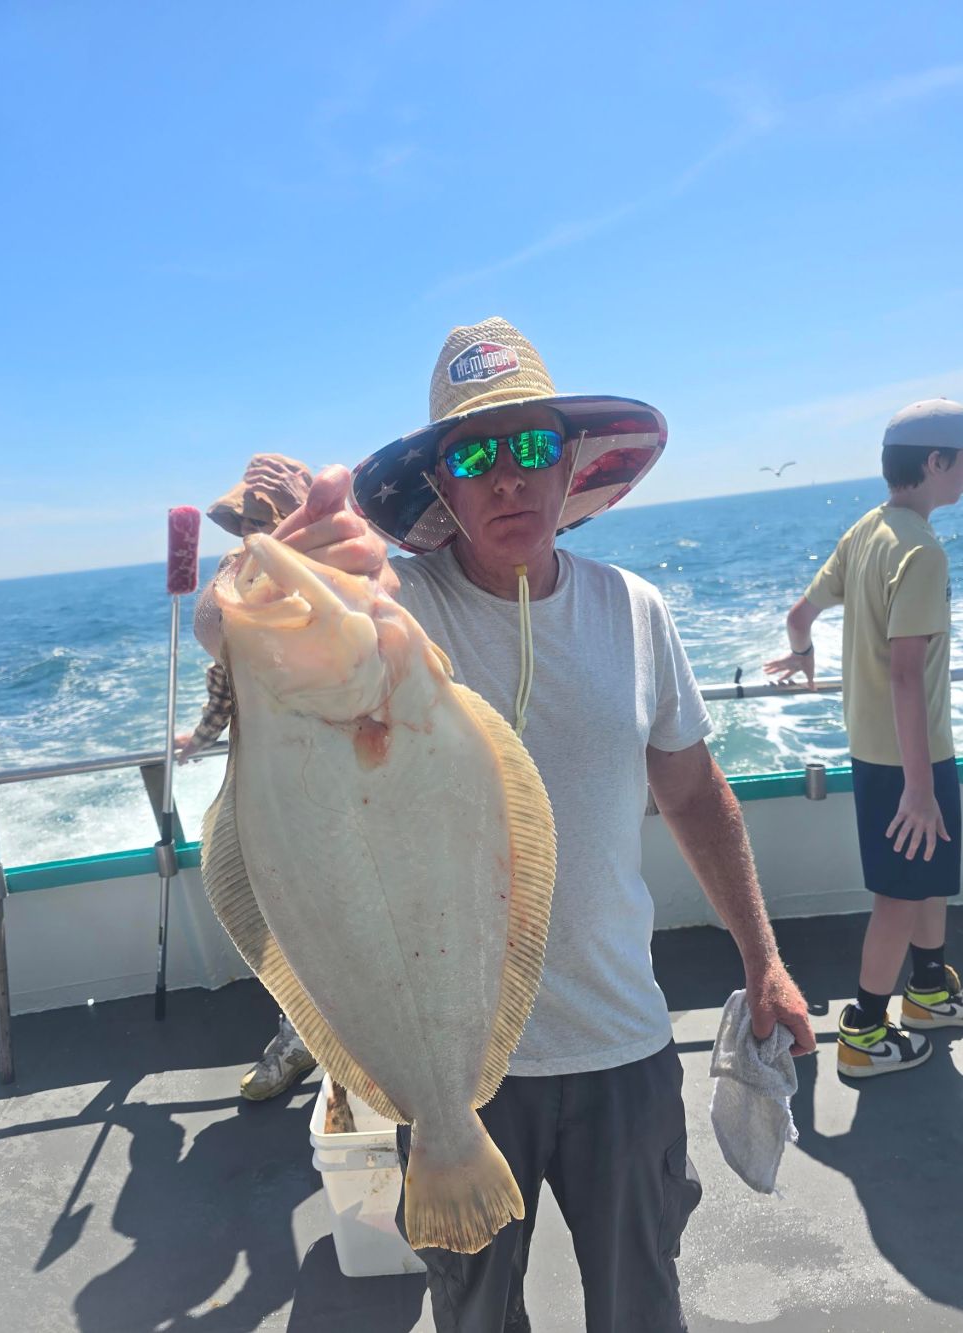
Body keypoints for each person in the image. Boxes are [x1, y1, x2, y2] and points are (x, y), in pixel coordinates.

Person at [199, 316, 814, 1332]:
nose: (509, 476)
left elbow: (698, 797)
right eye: (474, 454)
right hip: (453, 1068)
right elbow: (240, 629)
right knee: (475, 1316)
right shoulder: (397, 615)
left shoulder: (636, 612)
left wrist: (764, 958)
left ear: (573, 465)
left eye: (532, 445)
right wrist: (248, 576)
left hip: (621, 1041)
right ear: (441, 486)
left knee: (641, 1302)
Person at [766, 398, 963, 1080]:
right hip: (911, 763)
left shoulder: (866, 531)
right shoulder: (923, 553)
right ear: (937, 462)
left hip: (885, 753)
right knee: (899, 899)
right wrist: (919, 789)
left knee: (929, 878)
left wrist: (802, 653)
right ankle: (864, 1030)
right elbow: (906, 674)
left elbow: (801, 614)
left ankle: (931, 989)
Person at [180, 453, 320, 1101]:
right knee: (285, 919)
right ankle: (302, 1034)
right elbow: (222, 683)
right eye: (246, 518)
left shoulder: (323, 569)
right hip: (267, 792)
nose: (252, 528)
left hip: (331, 786)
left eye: (261, 515)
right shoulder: (234, 580)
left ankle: (339, 1044)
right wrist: (196, 738)